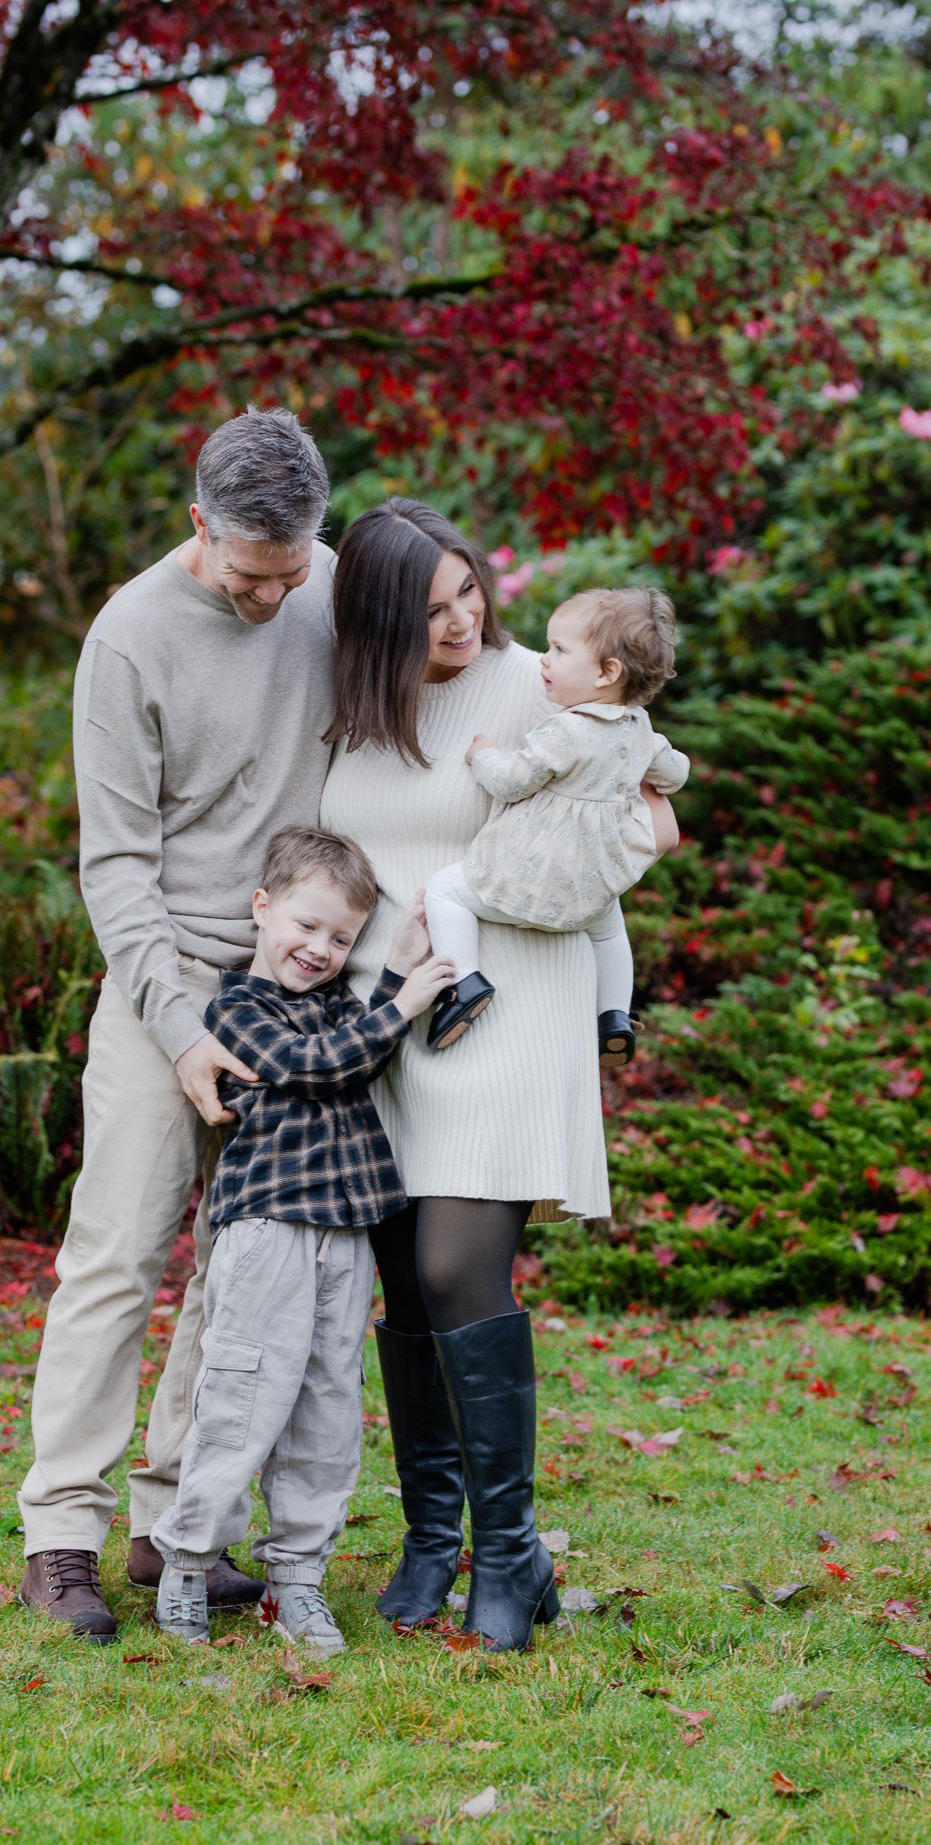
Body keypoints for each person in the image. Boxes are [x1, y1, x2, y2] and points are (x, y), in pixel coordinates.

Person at [319, 499, 679, 1652]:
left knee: (454, 1263)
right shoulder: (354, 702)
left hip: (511, 1001)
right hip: (387, 1016)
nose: (463, 619)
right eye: (430, 609)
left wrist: (610, 856)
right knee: (405, 1284)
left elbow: (648, 823)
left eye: (470, 591)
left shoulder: (543, 684)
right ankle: (434, 1534)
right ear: (379, 616)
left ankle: (512, 1552)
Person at [17, 408, 338, 1640]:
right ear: (199, 525)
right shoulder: (130, 637)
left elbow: (471, 649)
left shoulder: (329, 580)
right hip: (171, 981)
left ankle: (172, 1527)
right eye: (252, 575)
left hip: (301, 994)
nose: (274, 597)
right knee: (118, 1254)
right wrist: (180, 1027)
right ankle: (60, 1536)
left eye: (292, 571)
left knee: (242, 1269)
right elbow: (118, 864)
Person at [148, 826, 454, 1651]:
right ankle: (185, 1565)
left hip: (345, 1236)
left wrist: (393, 963)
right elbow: (318, 1066)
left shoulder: (337, 1009)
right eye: (305, 926)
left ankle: (298, 1579)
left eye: (339, 937)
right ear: (261, 907)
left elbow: (356, 1050)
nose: (319, 949)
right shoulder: (233, 1008)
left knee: (326, 1405)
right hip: (268, 1230)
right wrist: (398, 1004)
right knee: (243, 1398)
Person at [423, 586, 690, 1065]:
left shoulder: (565, 730)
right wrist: (649, 772)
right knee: (609, 930)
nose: (545, 660)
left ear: (607, 673)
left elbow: (509, 782)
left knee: (444, 892)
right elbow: (676, 772)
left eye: (560, 650)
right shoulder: (640, 729)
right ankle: (613, 1015)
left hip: (534, 875)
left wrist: (483, 753)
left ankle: (464, 983)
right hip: (591, 882)